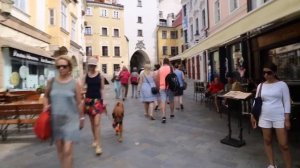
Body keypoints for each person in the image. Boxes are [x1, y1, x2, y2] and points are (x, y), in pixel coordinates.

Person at [44, 55, 83, 168]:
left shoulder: (75, 84)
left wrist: (81, 118)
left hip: (71, 120)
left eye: (64, 66)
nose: (61, 69)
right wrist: (45, 105)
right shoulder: (51, 82)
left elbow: (79, 102)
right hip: (56, 120)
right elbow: (46, 96)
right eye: (58, 66)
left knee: (67, 150)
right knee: (60, 150)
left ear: (69, 68)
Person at [250, 62, 292, 168]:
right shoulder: (261, 85)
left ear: (275, 73)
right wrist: (252, 115)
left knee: (284, 145)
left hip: (279, 116)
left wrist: (287, 119)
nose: (266, 75)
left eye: (269, 73)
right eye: (264, 73)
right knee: (267, 140)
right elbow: (257, 101)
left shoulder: (282, 85)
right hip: (264, 116)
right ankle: (272, 164)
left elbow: (287, 102)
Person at [83, 57, 105, 155]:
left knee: (97, 123)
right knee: (92, 124)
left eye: (93, 65)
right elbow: (82, 87)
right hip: (88, 101)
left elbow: (102, 89)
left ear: (95, 66)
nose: (91, 67)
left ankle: (99, 146)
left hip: (97, 101)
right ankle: (95, 139)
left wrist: (103, 101)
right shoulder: (85, 76)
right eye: (90, 65)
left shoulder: (100, 76)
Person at [158, 58, 175, 123]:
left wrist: (158, 86)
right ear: (168, 62)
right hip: (170, 86)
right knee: (171, 100)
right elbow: (173, 76)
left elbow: (158, 78)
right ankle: (172, 113)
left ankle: (163, 116)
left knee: (163, 101)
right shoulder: (171, 68)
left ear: (163, 62)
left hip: (162, 86)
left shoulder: (160, 69)